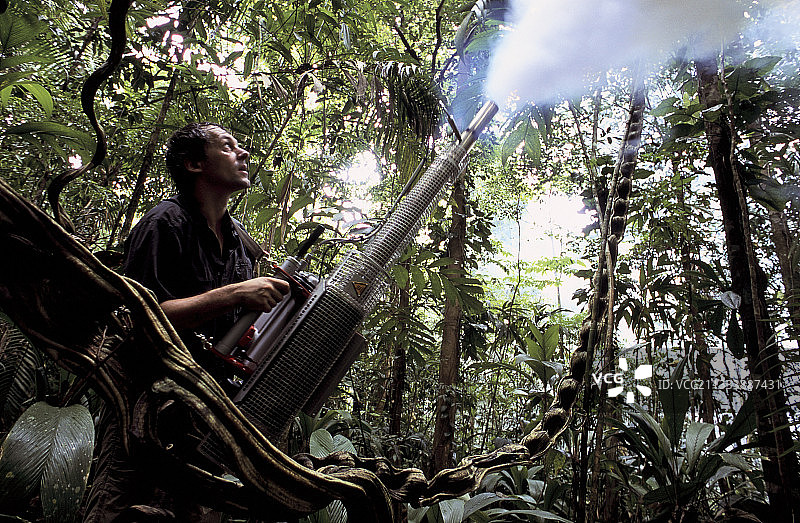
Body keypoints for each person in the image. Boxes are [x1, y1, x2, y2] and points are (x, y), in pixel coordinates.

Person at [84, 123, 289, 522]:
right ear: (195, 164)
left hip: (199, 411)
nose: (243, 153)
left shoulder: (238, 249)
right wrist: (234, 295)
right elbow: (139, 313)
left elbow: (217, 326)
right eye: (228, 147)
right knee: (121, 504)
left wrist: (242, 330)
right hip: (143, 403)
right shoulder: (165, 223)